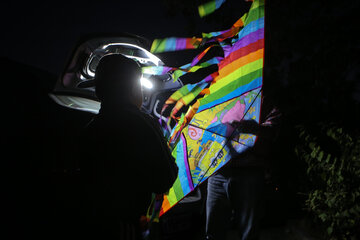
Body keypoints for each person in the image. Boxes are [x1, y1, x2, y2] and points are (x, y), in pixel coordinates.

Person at [78, 54, 178, 239]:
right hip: (124, 227)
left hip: (88, 223)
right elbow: (165, 178)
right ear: (133, 88)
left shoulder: (91, 126)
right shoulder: (142, 123)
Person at [205, 93, 281, 240]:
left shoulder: (261, 96)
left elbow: (274, 129)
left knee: (248, 232)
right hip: (218, 171)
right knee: (213, 230)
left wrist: (255, 128)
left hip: (249, 171)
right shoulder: (218, 95)